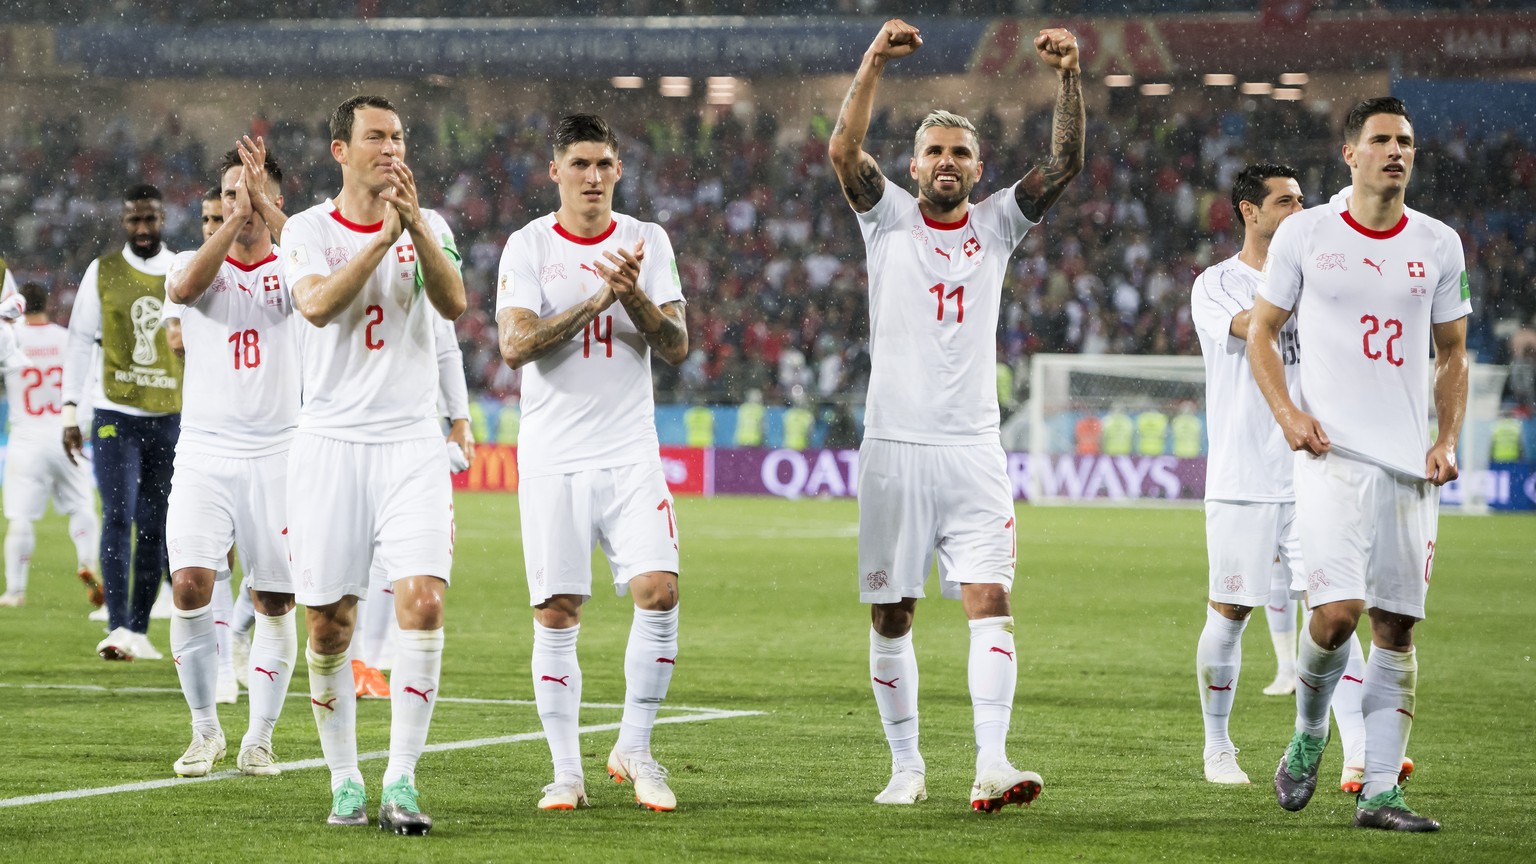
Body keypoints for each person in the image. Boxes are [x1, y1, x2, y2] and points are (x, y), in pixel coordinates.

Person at [827, 19, 1083, 811]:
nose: (947, 163)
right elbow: (842, 151)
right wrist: (871, 61)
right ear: (912, 167)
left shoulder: (1000, 221)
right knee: (891, 611)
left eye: (960, 153)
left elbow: (1065, 162)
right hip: (895, 447)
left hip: (973, 448)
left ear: (980, 168)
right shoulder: (887, 217)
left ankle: (993, 763)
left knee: (990, 601)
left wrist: (1069, 76)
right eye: (934, 152)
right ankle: (906, 767)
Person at [1251, 96, 1470, 833]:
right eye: (1380, 140)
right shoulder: (1306, 234)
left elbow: (1452, 353)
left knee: (1398, 628)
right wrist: (1289, 414)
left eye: (1405, 140)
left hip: (1409, 466)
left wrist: (1446, 440)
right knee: (1336, 615)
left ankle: (1380, 793)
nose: (1395, 151)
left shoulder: (1439, 243)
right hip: (1331, 458)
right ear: (1350, 153)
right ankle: (1312, 730)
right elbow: (1262, 334)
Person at [282, 94, 465, 835]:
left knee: (422, 603)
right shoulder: (306, 230)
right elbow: (319, 306)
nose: (391, 149)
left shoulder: (435, 225)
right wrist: (378, 239)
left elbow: (452, 304)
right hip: (329, 444)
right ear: (340, 151)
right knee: (329, 624)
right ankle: (345, 779)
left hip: (410, 443)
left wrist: (413, 228)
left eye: (398, 138)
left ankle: (402, 780)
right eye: (376, 138)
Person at [496, 113, 687, 813]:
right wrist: (599, 297)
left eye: (605, 164)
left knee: (659, 591)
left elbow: (675, 345)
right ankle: (566, 772)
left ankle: (634, 746)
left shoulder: (648, 240)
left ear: (618, 170)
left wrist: (632, 292)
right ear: (555, 172)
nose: (594, 177)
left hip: (629, 452)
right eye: (579, 164)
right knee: (558, 611)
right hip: (553, 457)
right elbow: (516, 346)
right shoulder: (529, 246)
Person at [163, 140, 300, 779]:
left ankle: (261, 738)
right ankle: (204, 732)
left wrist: (263, 209)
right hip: (205, 452)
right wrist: (235, 217)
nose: (237, 203)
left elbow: (306, 260)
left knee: (274, 599)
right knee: (191, 583)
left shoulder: (300, 268)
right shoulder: (198, 263)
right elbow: (187, 289)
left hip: (279, 453)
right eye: (227, 194)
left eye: (248, 192)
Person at [1188, 164, 1305, 785]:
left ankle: (1364, 755)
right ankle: (1217, 746)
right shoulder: (1217, 284)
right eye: (1284, 202)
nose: (1298, 212)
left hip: (1315, 472)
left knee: (1336, 608)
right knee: (1231, 611)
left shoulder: (1322, 281)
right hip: (1244, 476)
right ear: (1248, 212)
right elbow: (1256, 328)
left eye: (1303, 202)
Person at [62, 183, 182, 661]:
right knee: (118, 515)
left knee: (155, 526)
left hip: (170, 415)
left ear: (163, 219)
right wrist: (71, 408)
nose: (142, 228)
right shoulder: (102, 271)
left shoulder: (181, 269)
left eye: (149, 219)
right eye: (134, 220)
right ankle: (116, 627)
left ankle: (137, 629)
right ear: (123, 222)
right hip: (114, 413)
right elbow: (77, 340)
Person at [352, 315, 476, 700]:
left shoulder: (425, 262)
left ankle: (363, 662)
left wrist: (460, 418)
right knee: (289, 569)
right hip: (340, 429)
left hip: (407, 433)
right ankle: (235, 636)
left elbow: (446, 343)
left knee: (388, 556)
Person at [0, 283, 102, 608]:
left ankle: (15, 591)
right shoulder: (65, 338)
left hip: (26, 439)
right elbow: (85, 383)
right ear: (48, 303)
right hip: (64, 434)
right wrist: (79, 424)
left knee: (20, 517)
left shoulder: (11, 339)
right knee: (82, 508)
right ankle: (88, 561)